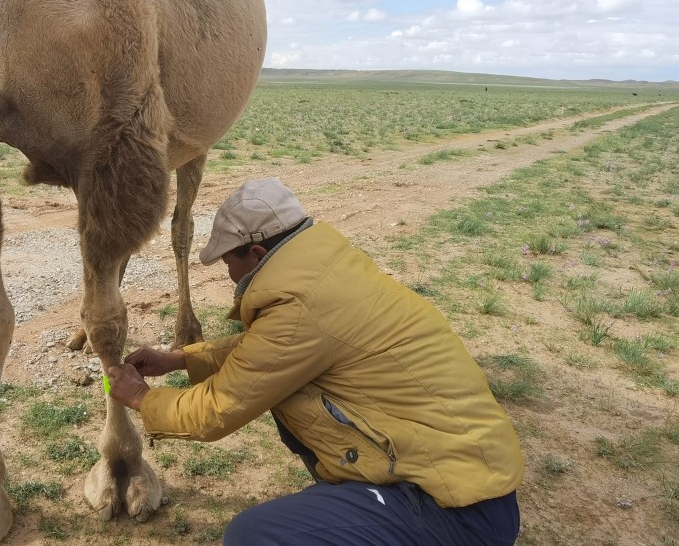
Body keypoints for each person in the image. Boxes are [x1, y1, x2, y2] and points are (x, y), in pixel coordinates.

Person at [106, 177, 524, 545]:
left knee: (256, 535)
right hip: (468, 479)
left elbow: (215, 409)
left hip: (453, 509)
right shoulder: (326, 271)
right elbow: (270, 353)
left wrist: (142, 398)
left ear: (254, 252)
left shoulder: (299, 307)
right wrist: (180, 359)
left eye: (228, 263)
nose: (228, 275)